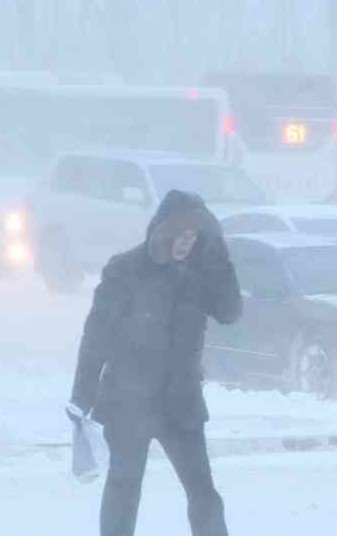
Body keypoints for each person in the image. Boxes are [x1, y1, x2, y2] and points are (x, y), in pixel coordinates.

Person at [68, 189, 242, 536]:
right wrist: (81, 396)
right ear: (161, 230)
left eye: (192, 237)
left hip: (181, 402)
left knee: (202, 492)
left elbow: (230, 313)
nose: (185, 244)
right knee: (124, 489)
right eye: (179, 235)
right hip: (128, 402)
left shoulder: (200, 273)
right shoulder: (125, 270)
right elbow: (96, 337)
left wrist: (219, 258)